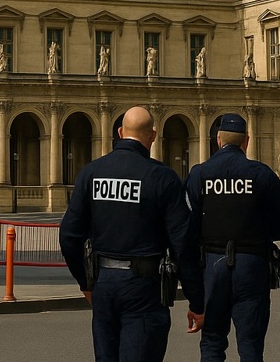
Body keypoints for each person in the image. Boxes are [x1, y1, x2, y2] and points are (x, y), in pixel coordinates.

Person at [60, 106, 205, 362]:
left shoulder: (92, 173)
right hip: (144, 286)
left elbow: (69, 235)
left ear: (119, 132)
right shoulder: (163, 178)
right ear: (152, 136)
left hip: (104, 281)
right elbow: (183, 244)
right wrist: (196, 300)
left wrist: (85, 282)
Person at [185, 113, 280, 362]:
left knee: (212, 341)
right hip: (252, 264)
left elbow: (187, 228)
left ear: (218, 140)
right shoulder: (262, 175)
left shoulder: (199, 174)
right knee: (251, 345)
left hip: (212, 263)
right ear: (246, 141)